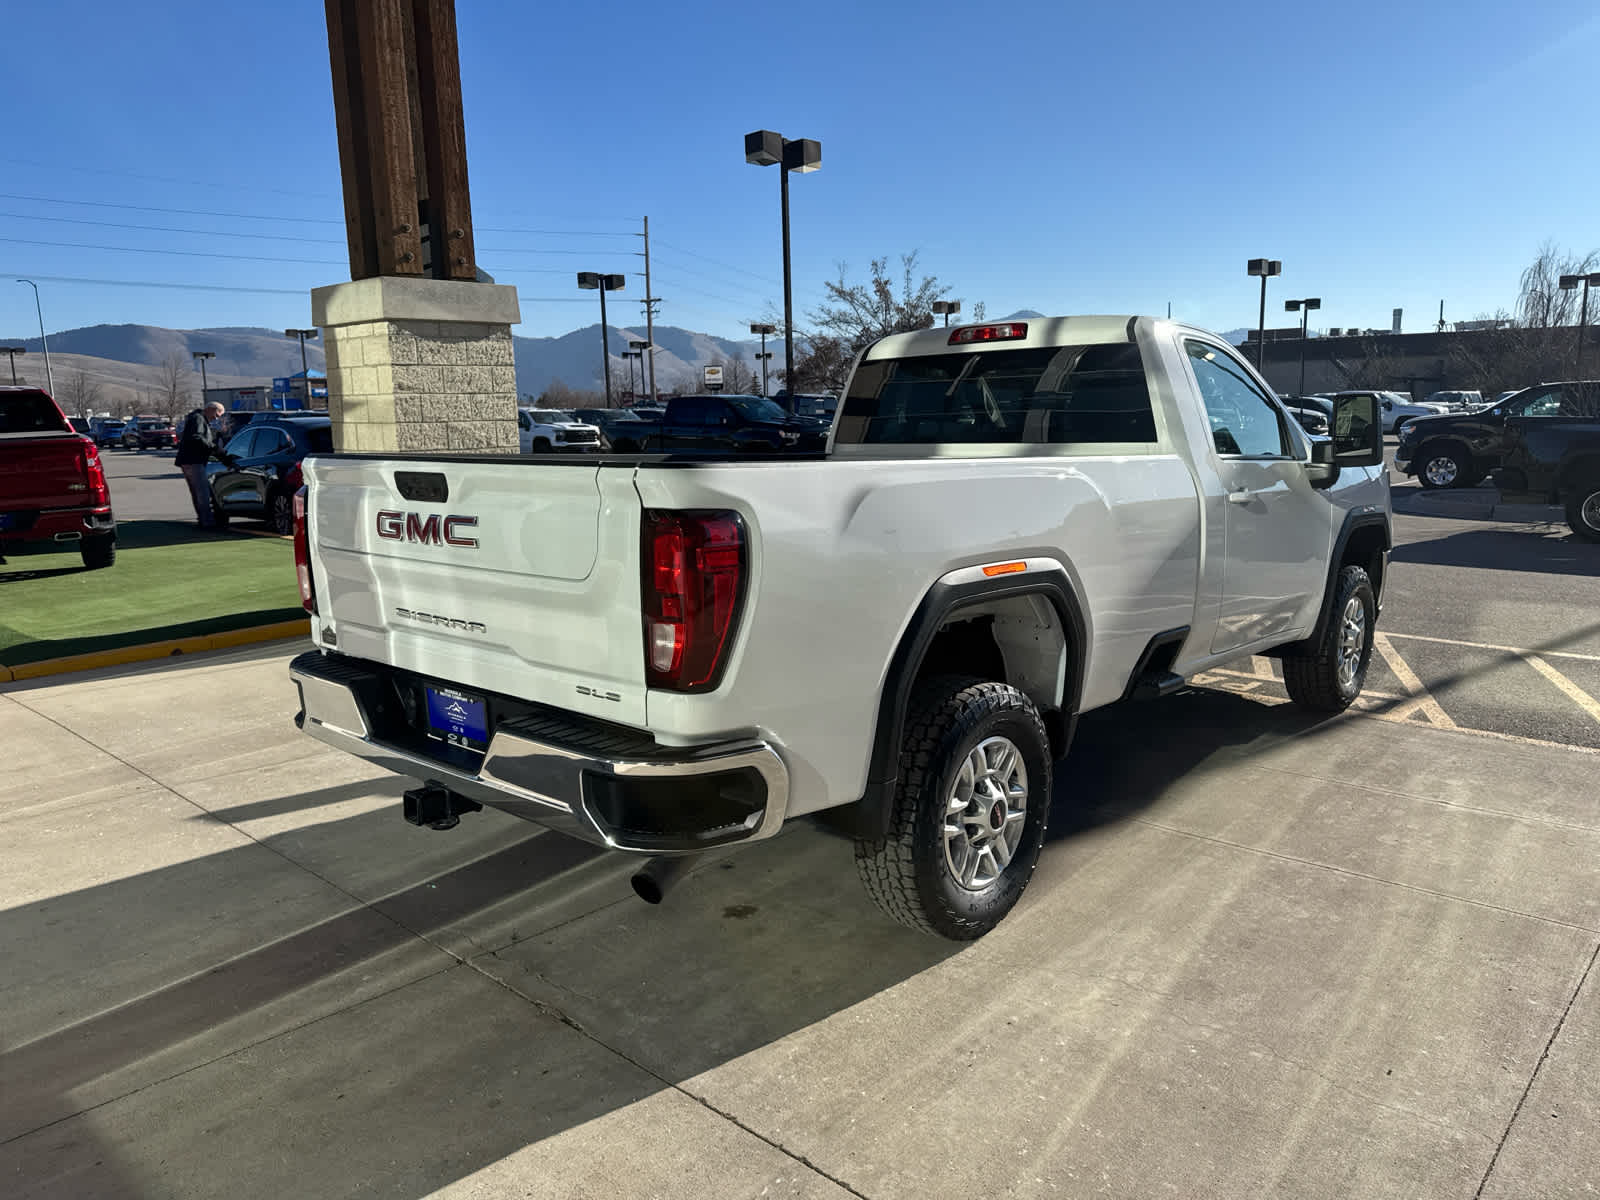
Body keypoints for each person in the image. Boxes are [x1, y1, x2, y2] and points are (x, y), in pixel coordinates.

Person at [175, 402, 236, 529]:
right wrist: (215, 449)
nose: (217, 418)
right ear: (210, 409)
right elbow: (198, 438)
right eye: (217, 414)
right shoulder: (198, 419)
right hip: (193, 460)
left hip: (189, 460)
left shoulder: (197, 418)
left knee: (198, 492)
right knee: (202, 492)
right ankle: (207, 521)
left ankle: (204, 519)